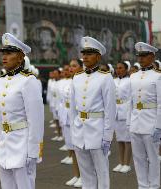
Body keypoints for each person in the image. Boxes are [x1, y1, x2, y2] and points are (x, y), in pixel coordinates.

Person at [0, 33, 44, 189]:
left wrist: (33, 150)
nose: (4, 57)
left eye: (9, 53)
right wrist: (0, 140)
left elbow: (36, 120)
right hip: (5, 144)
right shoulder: (1, 81)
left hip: (22, 143)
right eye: (3, 53)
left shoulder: (28, 81)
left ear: (20, 57)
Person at [70, 36, 116, 189]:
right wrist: (73, 130)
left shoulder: (105, 78)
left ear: (98, 56)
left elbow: (110, 110)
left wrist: (107, 136)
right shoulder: (77, 78)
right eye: (83, 53)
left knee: (102, 172)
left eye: (89, 54)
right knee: (86, 173)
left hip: (97, 130)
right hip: (80, 130)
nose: (85, 57)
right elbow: (72, 109)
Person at [127, 42, 161, 189]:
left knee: (153, 158)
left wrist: (159, 126)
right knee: (138, 158)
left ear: (152, 56)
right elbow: (130, 102)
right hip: (136, 122)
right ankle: (142, 185)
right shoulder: (133, 76)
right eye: (139, 56)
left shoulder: (158, 76)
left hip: (151, 122)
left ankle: (153, 185)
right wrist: (129, 123)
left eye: (144, 55)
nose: (140, 59)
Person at [62, 59, 83, 187]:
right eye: (70, 66)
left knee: (80, 150)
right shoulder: (69, 82)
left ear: (81, 68)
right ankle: (76, 175)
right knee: (74, 149)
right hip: (69, 118)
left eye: (74, 66)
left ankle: (84, 176)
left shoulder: (82, 82)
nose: (70, 68)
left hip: (80, 120)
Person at [112, 61, 132, 173]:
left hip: (126, 110)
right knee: (119, 139)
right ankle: (121, 162)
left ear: (126, 69)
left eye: (121, 68)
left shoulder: (130, 81)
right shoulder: (113, 81)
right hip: (116, 111)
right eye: (117, 68)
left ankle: (127, 163)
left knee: (127, 140)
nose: (118, 70)